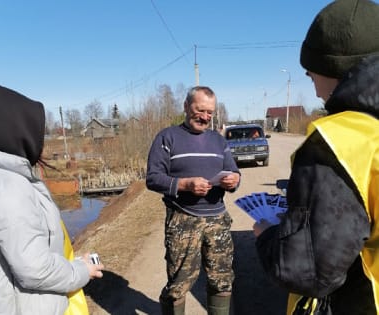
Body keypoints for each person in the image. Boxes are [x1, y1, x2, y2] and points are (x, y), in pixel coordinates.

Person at [253, 0, 379, 314]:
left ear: (335, 67)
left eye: (311, 71)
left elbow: (308, 270)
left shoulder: (338, 141)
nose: (310, 78)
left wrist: (267, 234)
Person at [0, 79, 104, 315]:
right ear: (18, 132)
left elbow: (14, 251)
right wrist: (81, 270)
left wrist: (69, 260)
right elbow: (35, 269)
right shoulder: (4, 187)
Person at [146, 86, 241, 315]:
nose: (205, 117)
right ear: (186, 106)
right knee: (178, 284)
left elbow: (234, 172)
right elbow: (152, 178)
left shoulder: (218, 141)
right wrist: (185, 185)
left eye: (210, 112)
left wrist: (234, 180)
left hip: (217, 220)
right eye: (200, 110)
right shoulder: (167, 137)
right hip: (183, 219)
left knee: (222, 280)